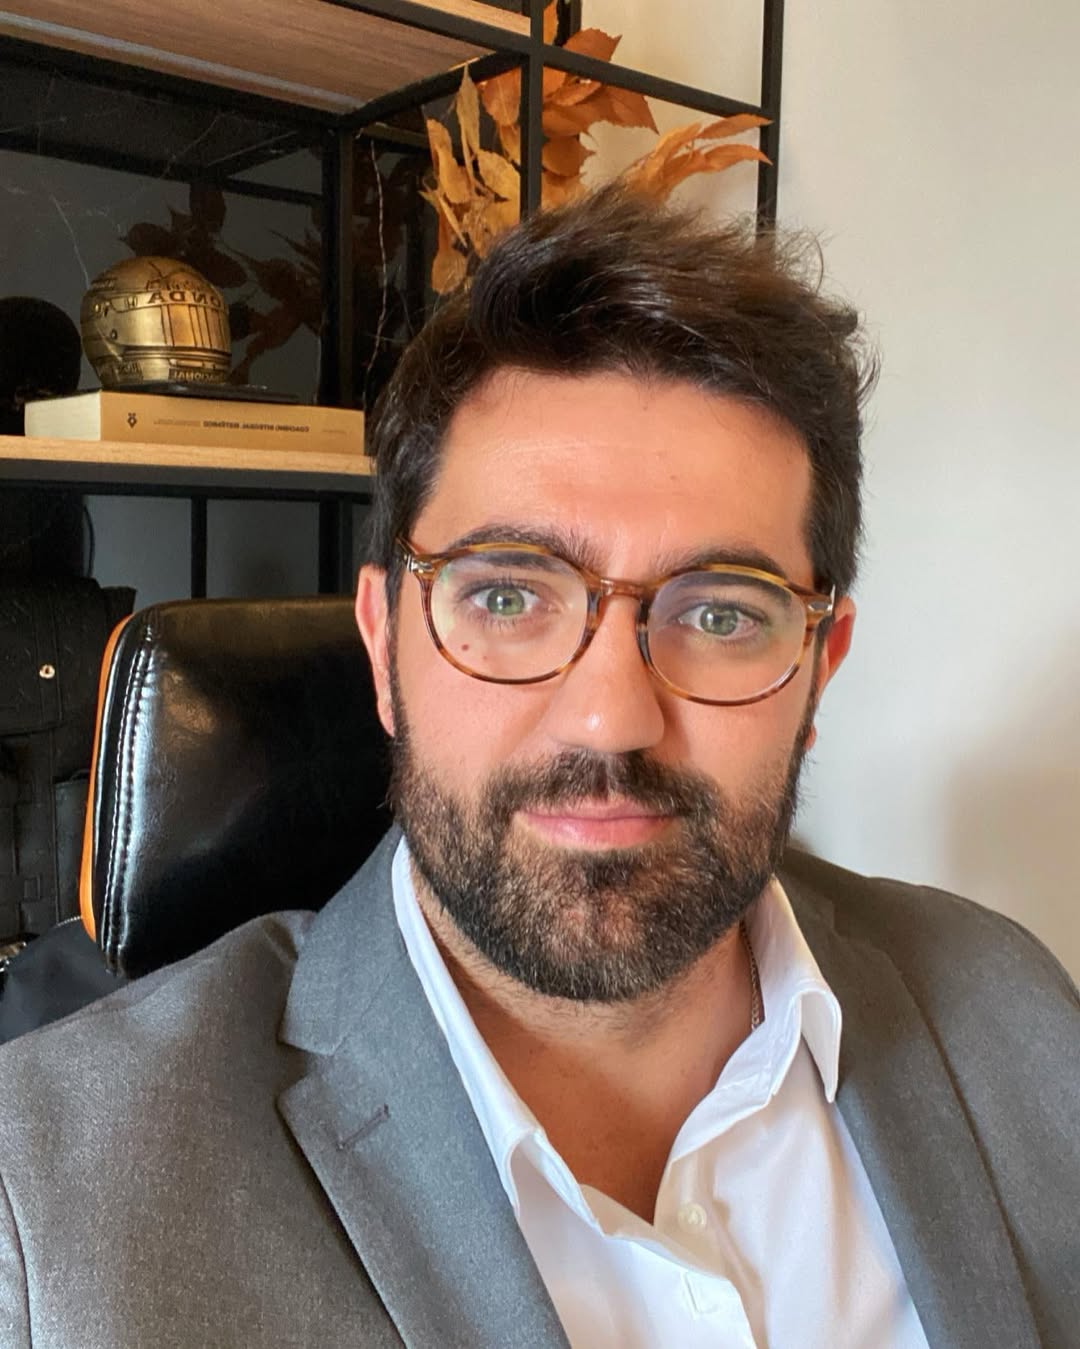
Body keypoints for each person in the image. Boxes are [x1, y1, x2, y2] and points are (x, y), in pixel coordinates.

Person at [0, 186, 1076, 1349]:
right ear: (385, 646)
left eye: (721, 614)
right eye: (507, 594)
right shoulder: (48, 1203)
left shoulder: (1014, 1009)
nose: (610, 718)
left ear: (819, 669)